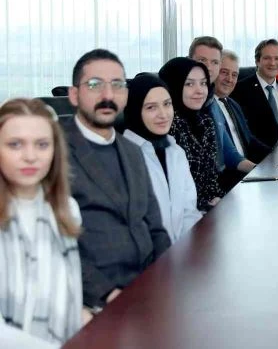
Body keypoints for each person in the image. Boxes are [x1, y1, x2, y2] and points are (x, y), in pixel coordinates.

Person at [64, 49, 170, 311]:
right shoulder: (54, 152)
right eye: (95, 85)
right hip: (94, 302)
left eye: (117, 85)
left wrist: (167, 278)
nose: (108, 95)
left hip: (148, 289)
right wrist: (108, 295)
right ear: (74, 95)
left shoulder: (133, 151)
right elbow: (56, 246)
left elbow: (156, 229)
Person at [0, 99, 83, 346]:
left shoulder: (67, 209)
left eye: (42, 144)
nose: (30, 156)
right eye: (15, 144)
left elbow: (69, 297)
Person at [123, 74, 202, 242]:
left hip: (181, 252)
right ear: (135, 111)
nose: (163, 114)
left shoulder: (176, 152)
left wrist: (196, 249)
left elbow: (189, 212)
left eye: (167, 104)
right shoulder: (122, 158)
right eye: (151, 107)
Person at [159, 57, 225, 212]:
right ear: (173, 86)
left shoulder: (205, 121)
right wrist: (205, 207)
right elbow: (173, 192)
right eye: (189, 84)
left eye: (203, 83)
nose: (200, 90)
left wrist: (218, 198)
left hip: (207, 210)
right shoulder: (166, 125)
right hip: (181, 216)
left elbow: (211, 177)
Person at [188, 36, 257, 175]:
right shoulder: (178, 103)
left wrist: (263, 170)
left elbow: (230, 152)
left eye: (214, 62)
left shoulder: (215, 104)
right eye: (202, 60)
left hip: (228, 177)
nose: (208, 67)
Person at [231, 39, 278, 146]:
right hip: (255, 154)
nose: (272, 63)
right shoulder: (239, 90)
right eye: (267, 58)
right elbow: (240, 131)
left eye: (277, 58)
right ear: (257, 61)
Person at [214, 50, 272, 163]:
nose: (229, 79)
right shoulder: (207, 107)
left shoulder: (233, 104)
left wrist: (276, 155)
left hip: (246, 167)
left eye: (234, 75)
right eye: (224, 72)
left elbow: (249, 139)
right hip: (227, 171)